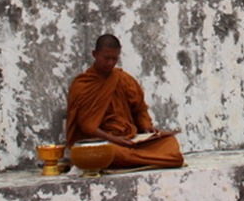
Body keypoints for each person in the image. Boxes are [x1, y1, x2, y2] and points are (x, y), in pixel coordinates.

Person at [65, 34, 184, 169]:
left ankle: (140, 159)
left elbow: (139, 109)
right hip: (102, 143)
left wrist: (146, 127)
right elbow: (87, 126)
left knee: (169, 143)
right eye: (106, 58)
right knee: (111, 152)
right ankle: (147, 159)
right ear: (95, 54)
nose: (110, 63)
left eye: (114, 58)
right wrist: (114, 140)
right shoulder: (83, 84)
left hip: (129, 139)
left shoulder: (123, 79)